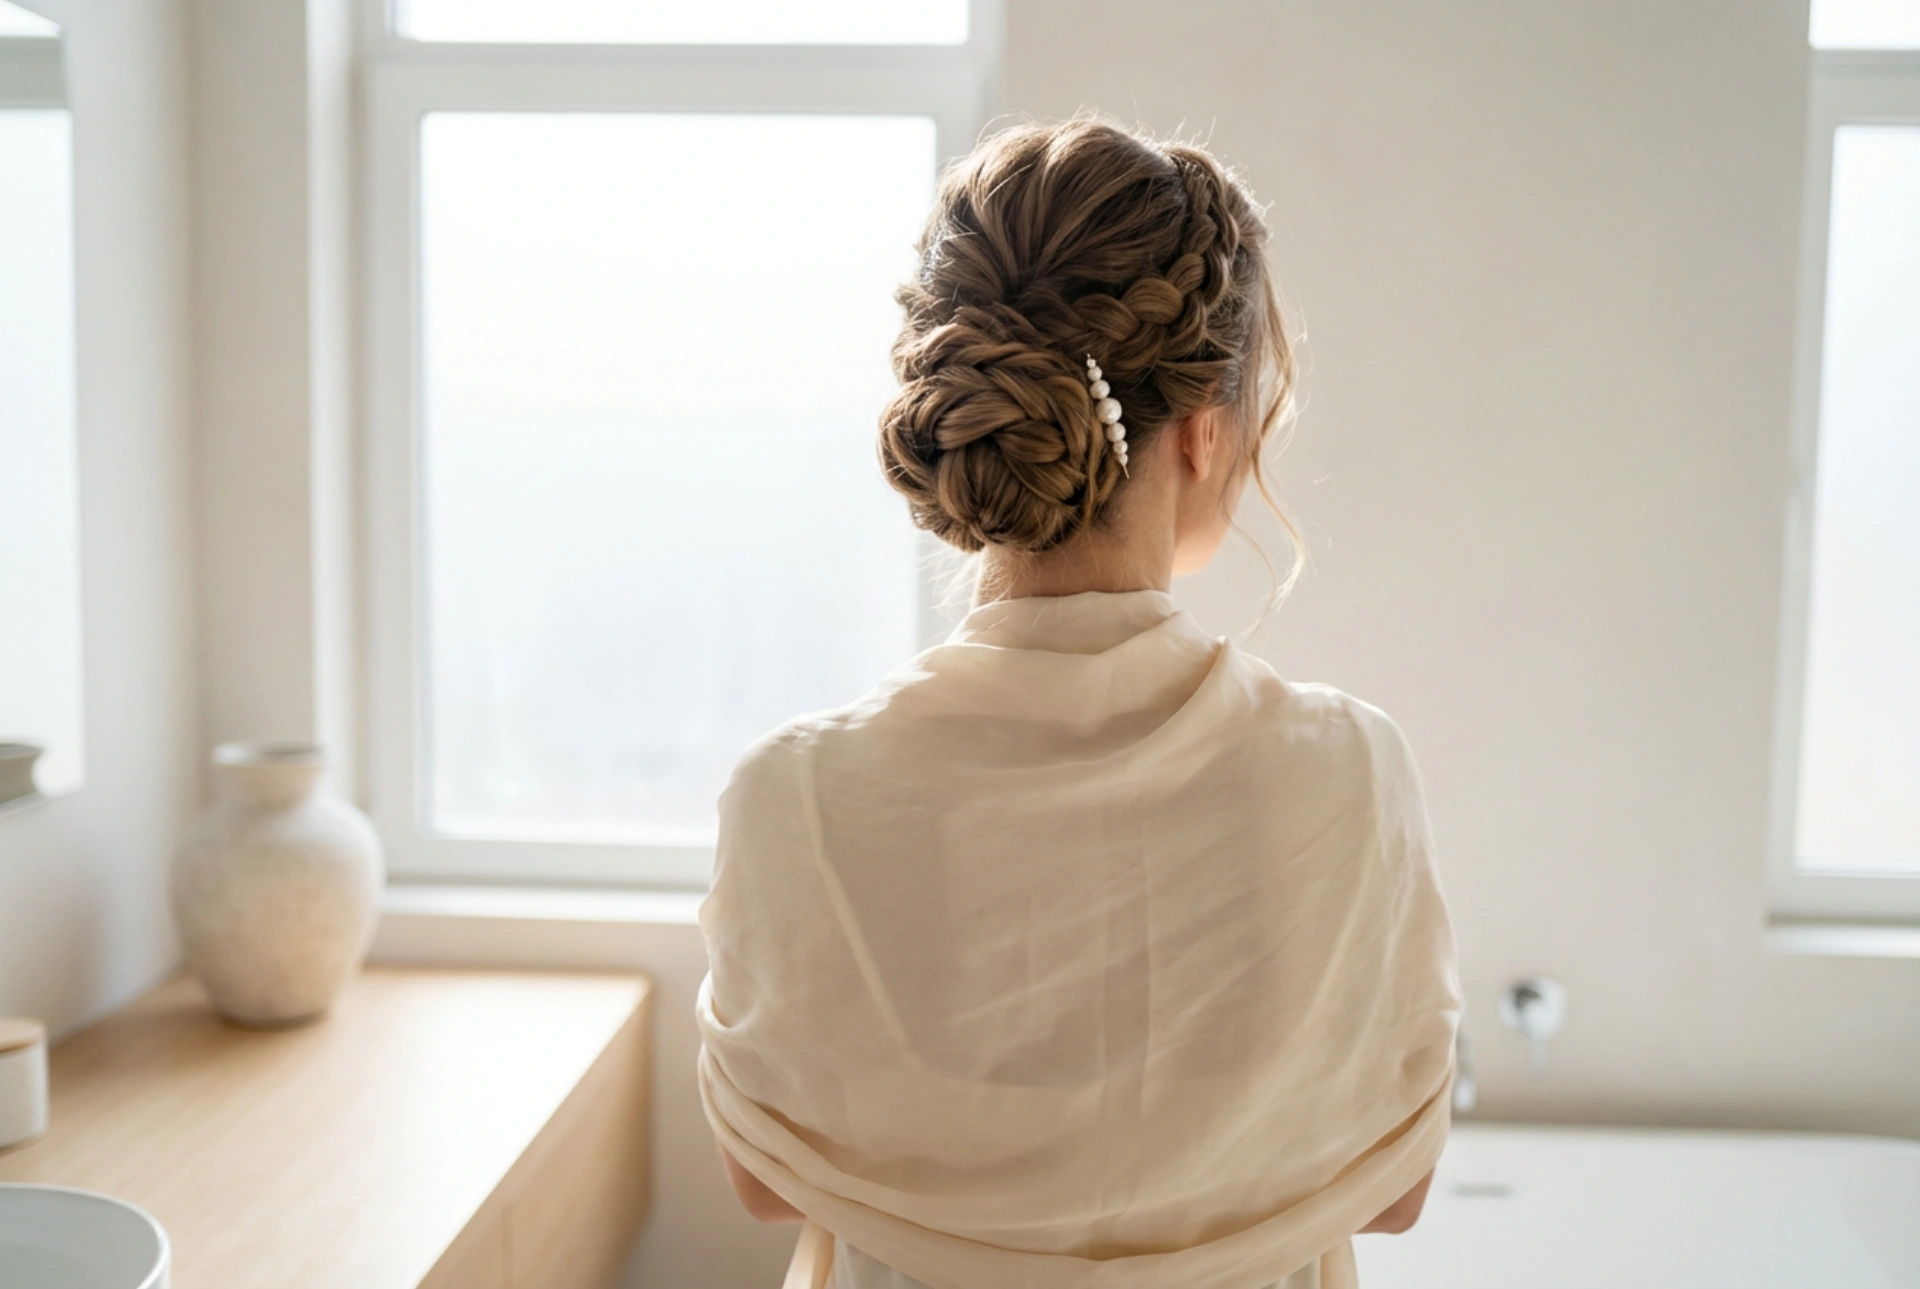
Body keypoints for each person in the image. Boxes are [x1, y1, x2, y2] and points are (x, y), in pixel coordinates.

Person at [696, 118, 1460, 1289]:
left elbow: (765, 1177)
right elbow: (1396, 1189)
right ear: (1205, 432)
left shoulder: (792, 791)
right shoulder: (1346, 770)